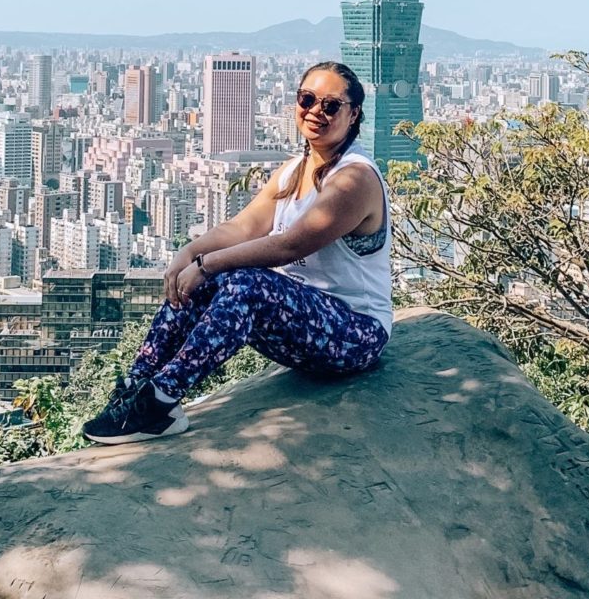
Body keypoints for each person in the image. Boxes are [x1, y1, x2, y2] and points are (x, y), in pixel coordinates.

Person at [83, 61, 392, 443]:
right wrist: (189, 254)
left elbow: (289, 245)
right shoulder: (294, 170)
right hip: (307, 324)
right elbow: (243, 228)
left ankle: (160, 401)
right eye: (307, 99)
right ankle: (135, 386)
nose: (316, 111)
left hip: (356, 333)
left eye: (330, 106)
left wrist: (206, 265)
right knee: (204, 284)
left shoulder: (354, 178)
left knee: (245, 283)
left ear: (353, 114)